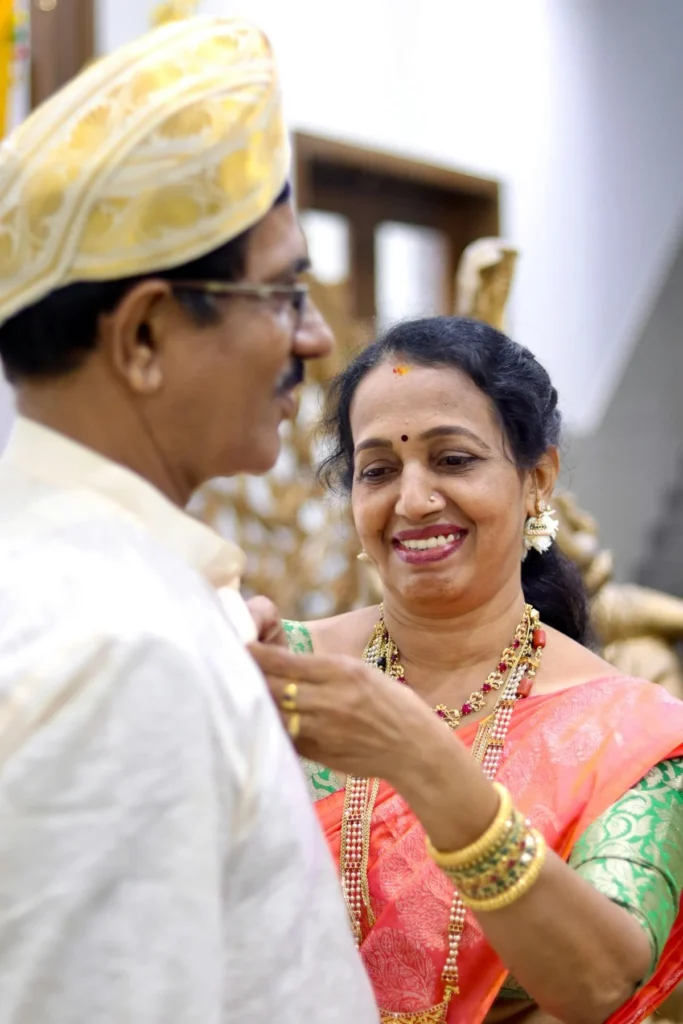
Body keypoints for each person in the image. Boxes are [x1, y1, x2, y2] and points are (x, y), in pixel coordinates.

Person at [0, 16, 379, 1024]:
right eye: (283, 291)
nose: (315, 336)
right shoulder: (117, 651)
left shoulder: (113, 588)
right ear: (145, 336)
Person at [249, 316, 683, 1024]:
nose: (413, 501)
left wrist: (423, 762)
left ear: (537, 480)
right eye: (378, 471)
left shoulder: (630, 735)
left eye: (452, 460)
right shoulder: (280, 677)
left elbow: (601, 980)